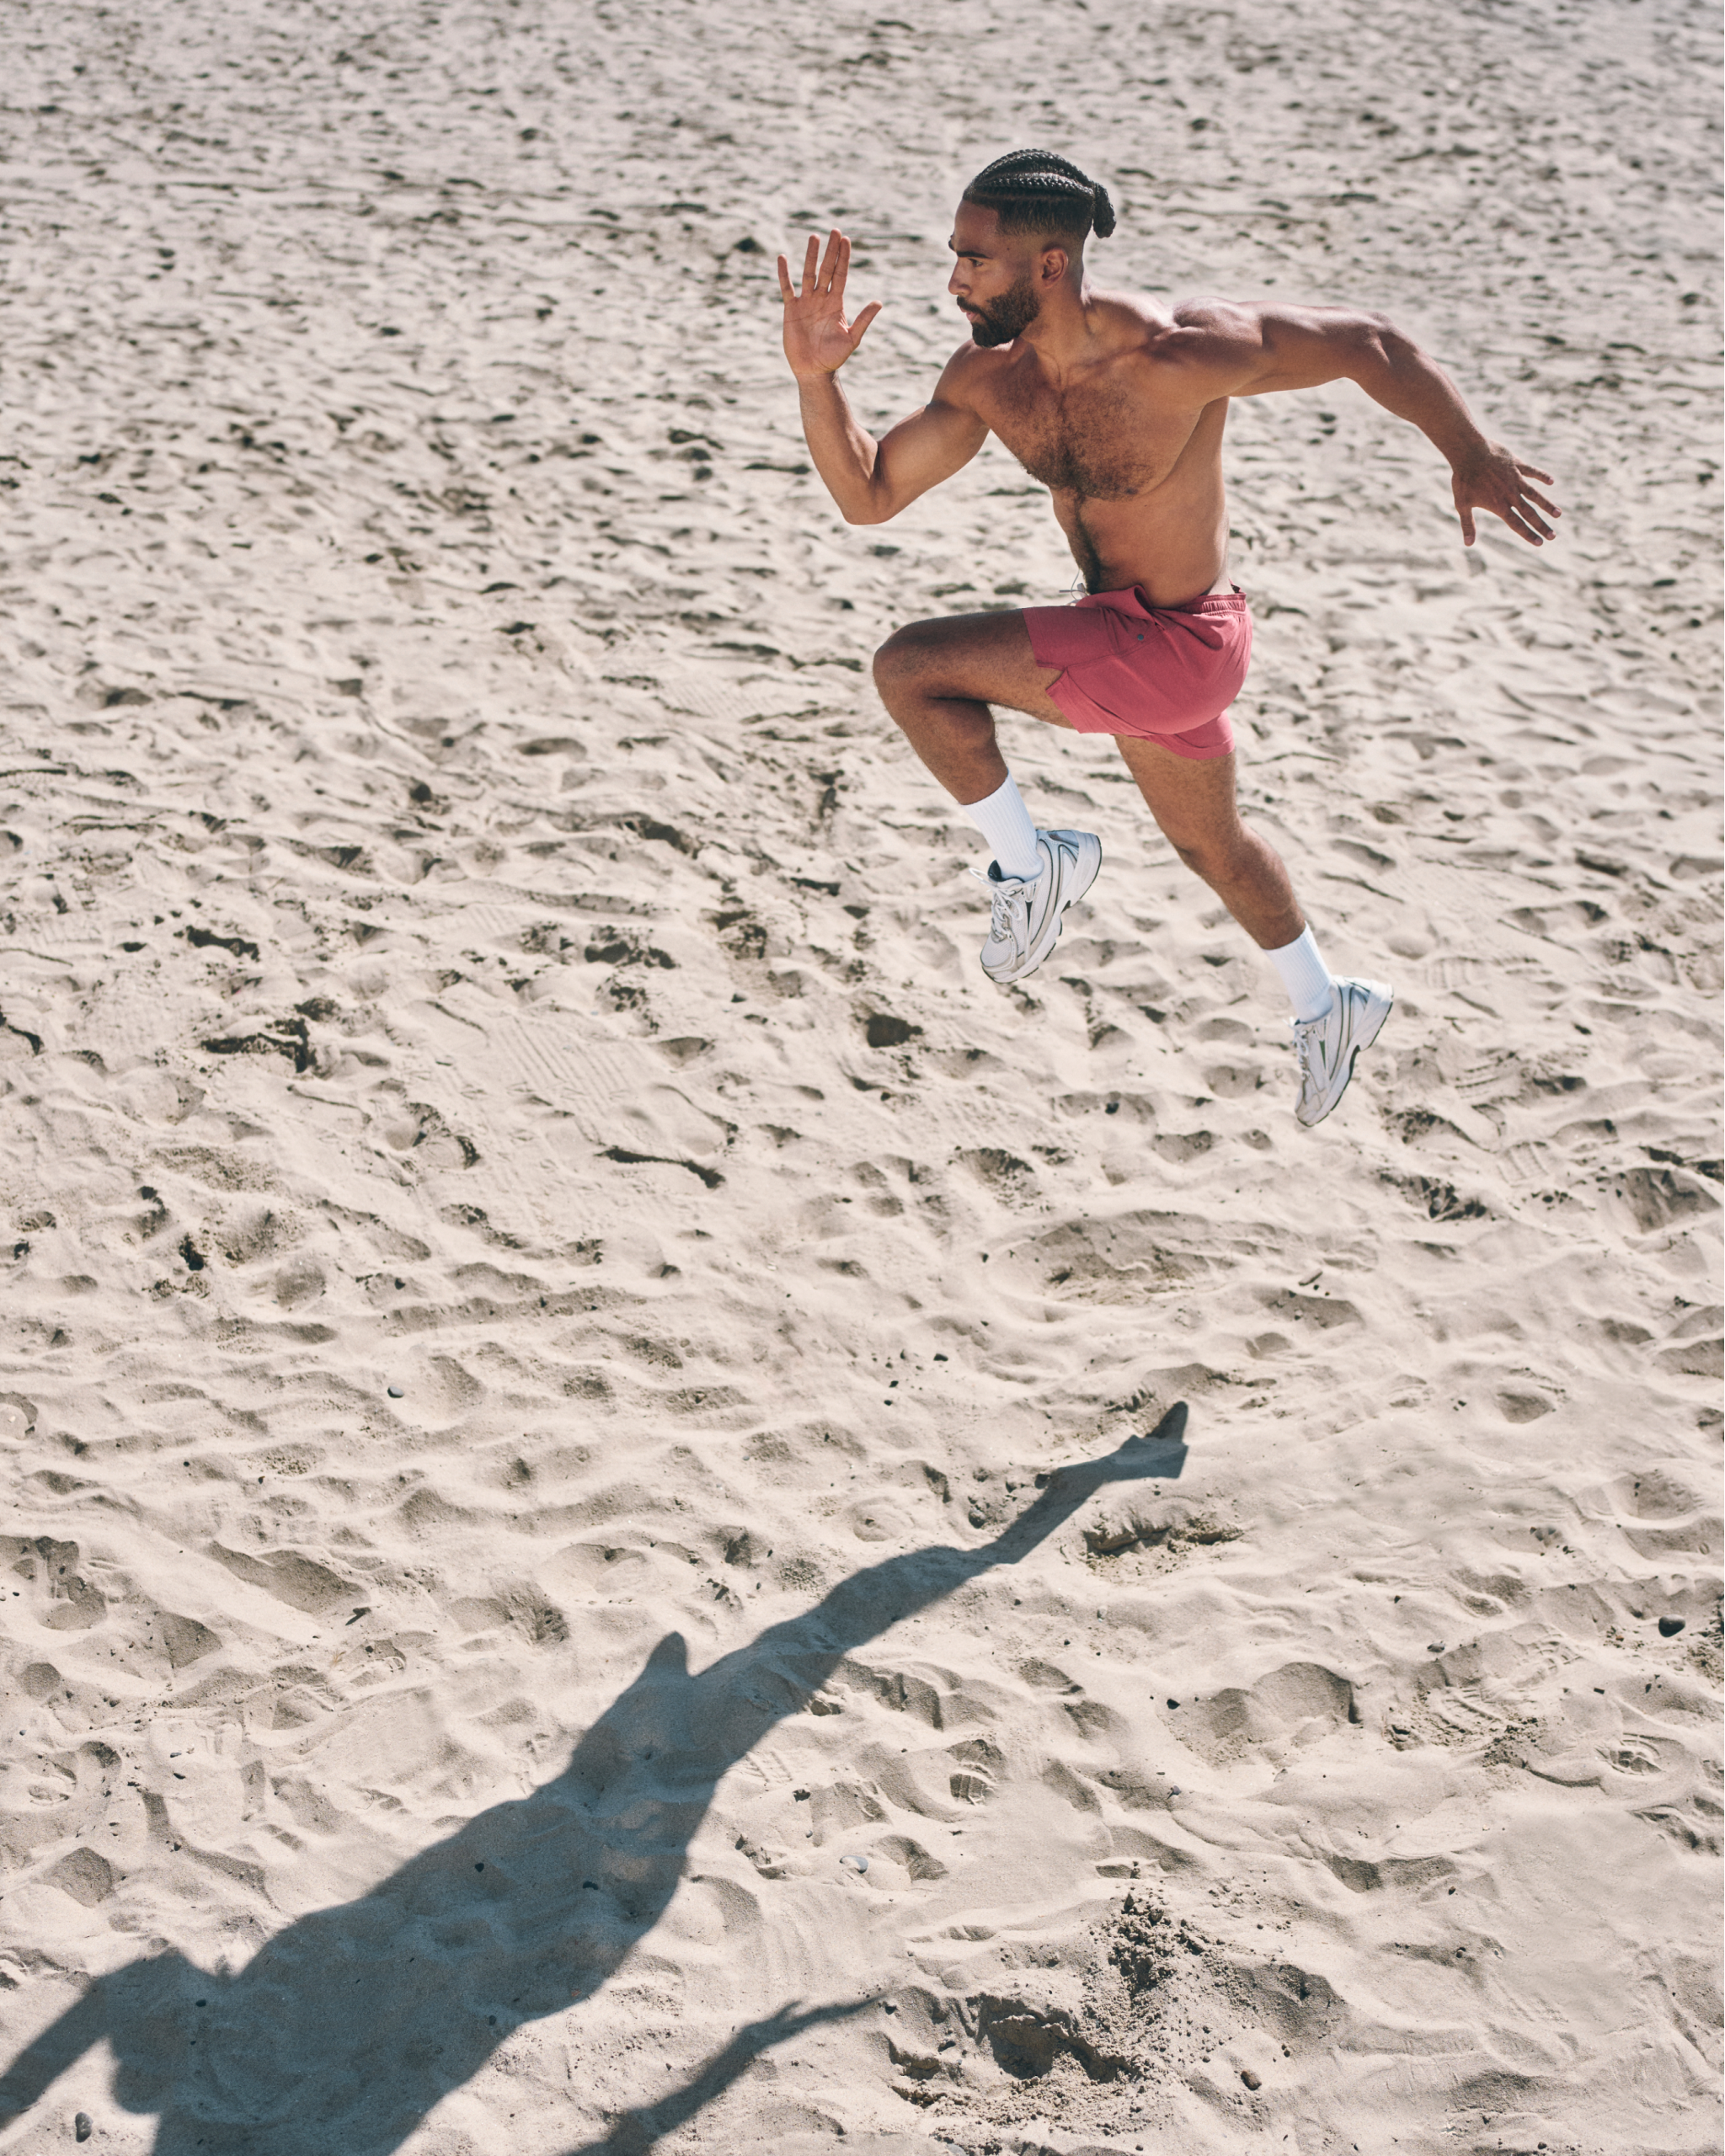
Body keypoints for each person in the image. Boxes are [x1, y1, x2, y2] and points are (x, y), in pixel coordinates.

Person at [776, 148, 1560, 1126]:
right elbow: (869, 492)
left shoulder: (1177, 354)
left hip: (1179, 644)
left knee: (911, 668)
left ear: (1048, 265)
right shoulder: (985, 379)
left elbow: (1373, 344)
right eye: (954, 257)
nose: (953, 281)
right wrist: (815, 379)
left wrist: (1471, 454)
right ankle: (1328, 1004)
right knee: (1215, 847)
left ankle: (1032, 866)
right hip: (1131, 648)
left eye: (974, 261)